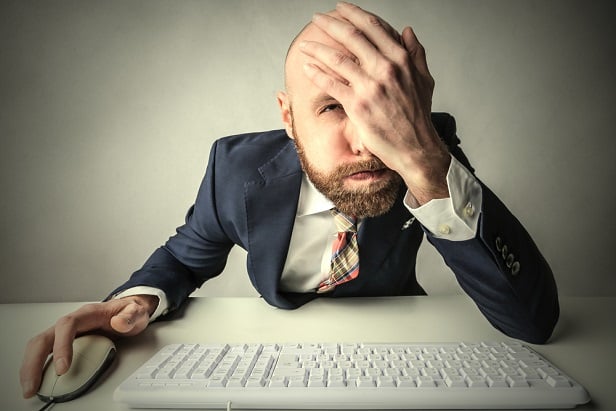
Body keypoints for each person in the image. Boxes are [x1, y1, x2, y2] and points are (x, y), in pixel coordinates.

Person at [20, 2, 559, 399]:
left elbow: (533, 323)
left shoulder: (424, 149)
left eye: (384, 107)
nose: (368, 140)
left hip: (394, 353)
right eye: (330, 108)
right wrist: (135, 301)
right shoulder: (234, 167)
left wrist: (423, 160)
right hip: (270, 356)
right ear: (288, 115)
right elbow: (186, 258)